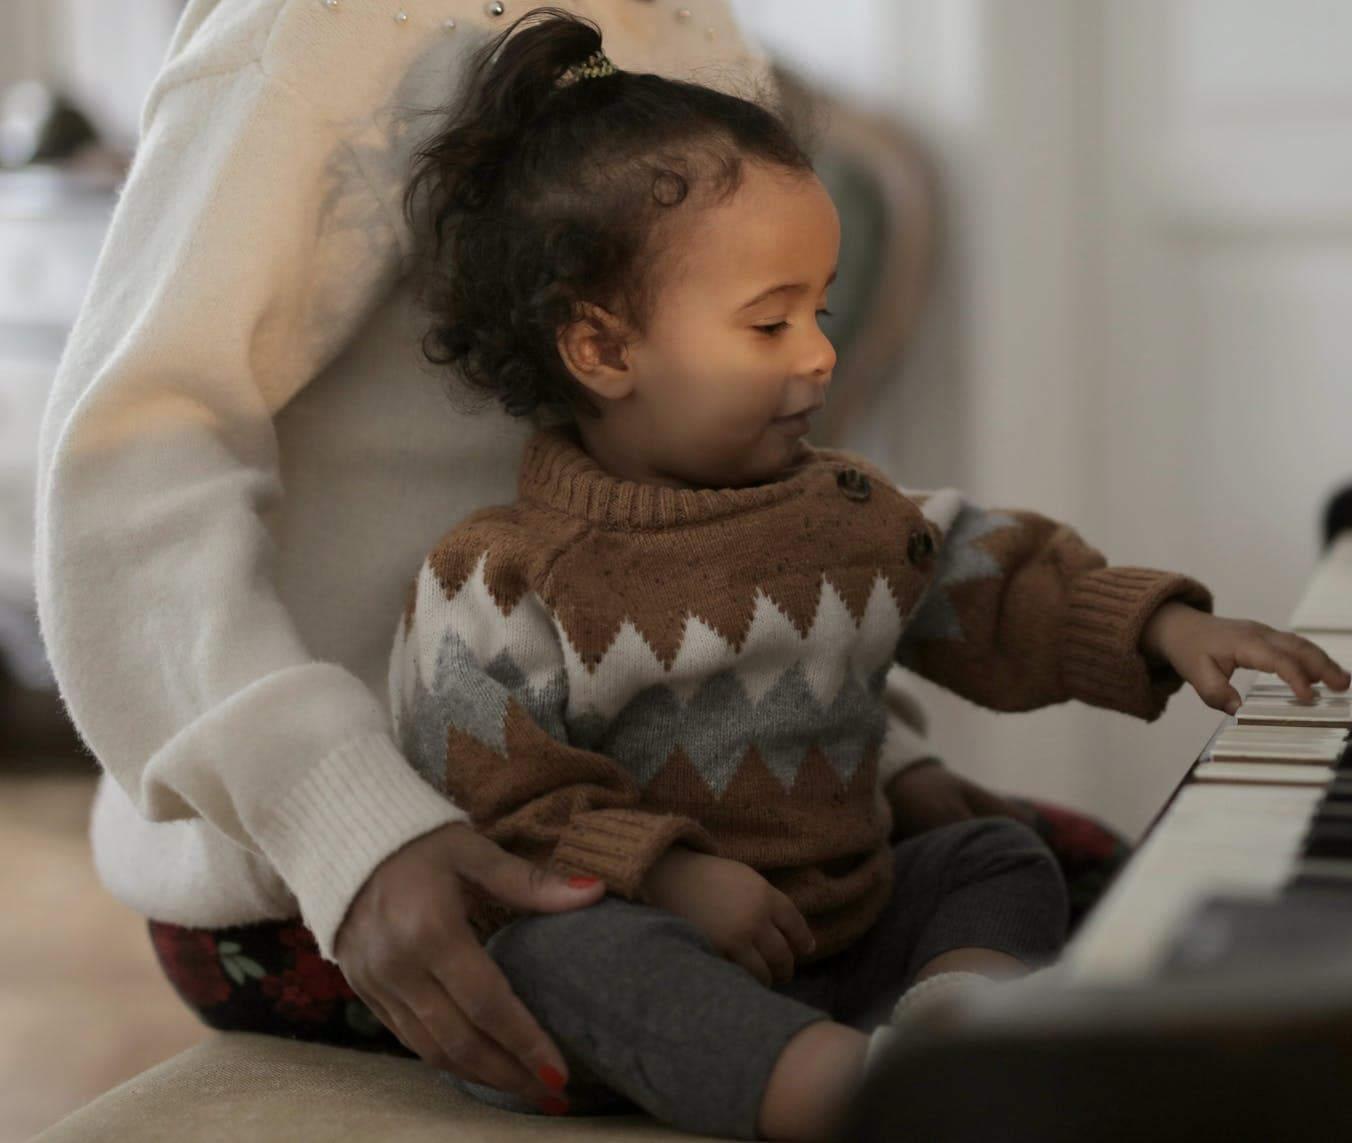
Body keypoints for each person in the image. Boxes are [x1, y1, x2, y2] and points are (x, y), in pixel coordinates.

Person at [32, 0, 1114, 1124]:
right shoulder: (322, 33)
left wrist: (861, 758)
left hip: (688, 808)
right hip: (366, 861)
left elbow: (698, 495)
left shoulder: (693, 33)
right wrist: (348, 830)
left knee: (1108, 894)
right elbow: (129, 470)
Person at [382, 11, 1351, 1140]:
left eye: (820, 308)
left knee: (993, 854)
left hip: (846, 933)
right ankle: (845, 1096)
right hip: (663, 949)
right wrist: (675, 876)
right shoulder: (502, 576)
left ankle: (949, 1038)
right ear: (602, 349)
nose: (817, 353)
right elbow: (500, 806)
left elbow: (996, 580)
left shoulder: (846, 514)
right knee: (559, 952)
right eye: (766, 323)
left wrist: (1163, 631)